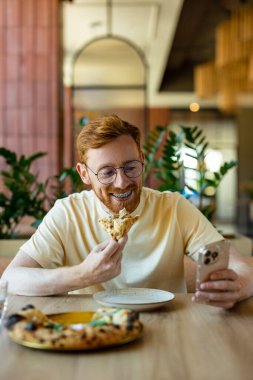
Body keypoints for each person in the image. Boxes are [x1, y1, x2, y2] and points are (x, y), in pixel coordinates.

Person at [2, 115, 253, 309]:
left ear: (142, 159)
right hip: (92, 329)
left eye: (130, 167)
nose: (122, 182)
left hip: (168, 326)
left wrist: (237, 286)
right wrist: (83, 274)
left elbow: (241, 269)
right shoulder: (68, 213)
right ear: (84, 174)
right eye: (107, 172)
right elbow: (10, 280)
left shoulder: (174, 208)